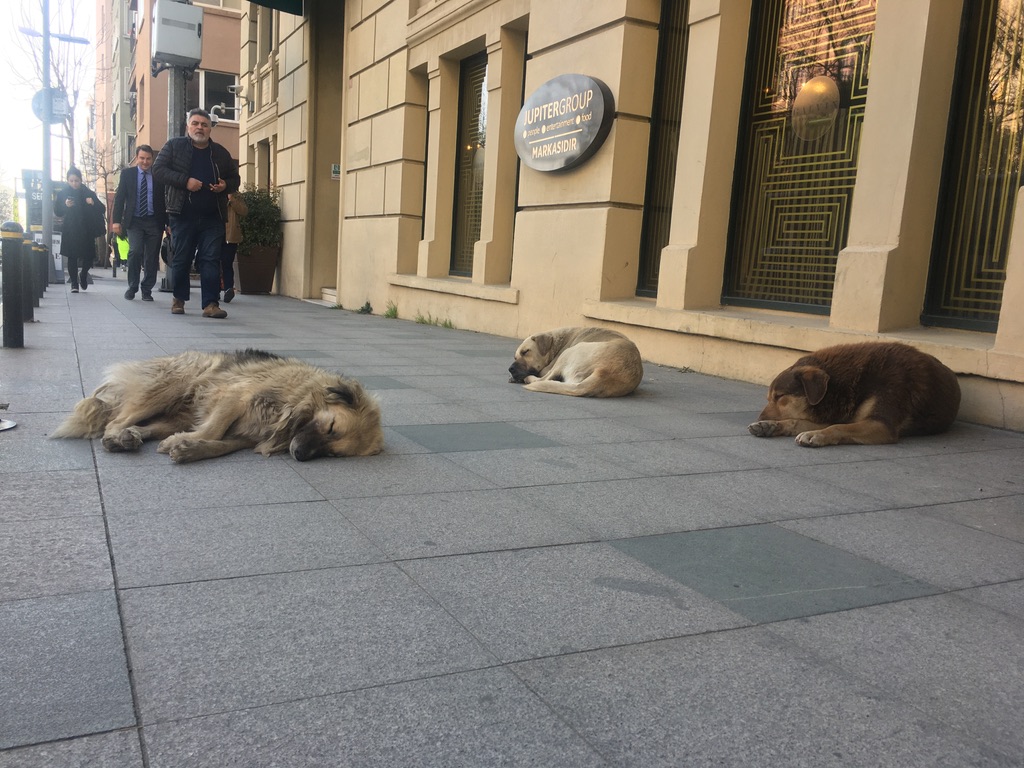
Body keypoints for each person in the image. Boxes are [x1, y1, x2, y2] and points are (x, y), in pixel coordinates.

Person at [152, 108, 240, 318]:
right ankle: (179, 299)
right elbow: (158, 170)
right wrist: (185, 182)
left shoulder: (220, 152)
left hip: (213, 216)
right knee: (182, 258)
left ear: (210, 129)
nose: (200, 127)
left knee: (210, 259)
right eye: (196, 123)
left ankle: (210, 304)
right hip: (182, 215)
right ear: (188, 127)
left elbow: (235, 180)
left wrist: (224, 185)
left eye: (204, 124)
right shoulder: (174, 146)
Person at [111, 144, 166, 301]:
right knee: (135, 252)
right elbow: (120, 198)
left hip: (154, 221)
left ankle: (147, 289)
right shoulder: (127, 174)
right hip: (134, 221)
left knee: (151, 256)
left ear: (152, 159)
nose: (145, 161)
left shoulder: (158, 175)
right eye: (142, 158)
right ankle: (132, 286)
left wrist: (167, 223)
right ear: (136, 158)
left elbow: (163, 201)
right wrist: (116, 221)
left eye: (148, 158)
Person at [55, 167, 105, 293]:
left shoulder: (88, 192)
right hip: (71, 229)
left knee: (88, 257)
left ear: (81, 180)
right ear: (67, 181)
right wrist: (65, 205)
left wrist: (92, 202)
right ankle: (74, 283)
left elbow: (102, 208)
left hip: (87, 229)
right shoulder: (63, 194)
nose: (74, 183)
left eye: (76, 180)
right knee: (72, 257)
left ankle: (83, 274)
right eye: (71, 181)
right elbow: (57, 211)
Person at [221, 192, 248, 302]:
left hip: (230, 235)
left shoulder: (235, 196)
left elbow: (244, 211)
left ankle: (228, 289)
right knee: (213, 262)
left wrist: (232, 199)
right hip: (214, 233)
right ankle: (214, 291)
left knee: (227, 262)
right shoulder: (212, 191)